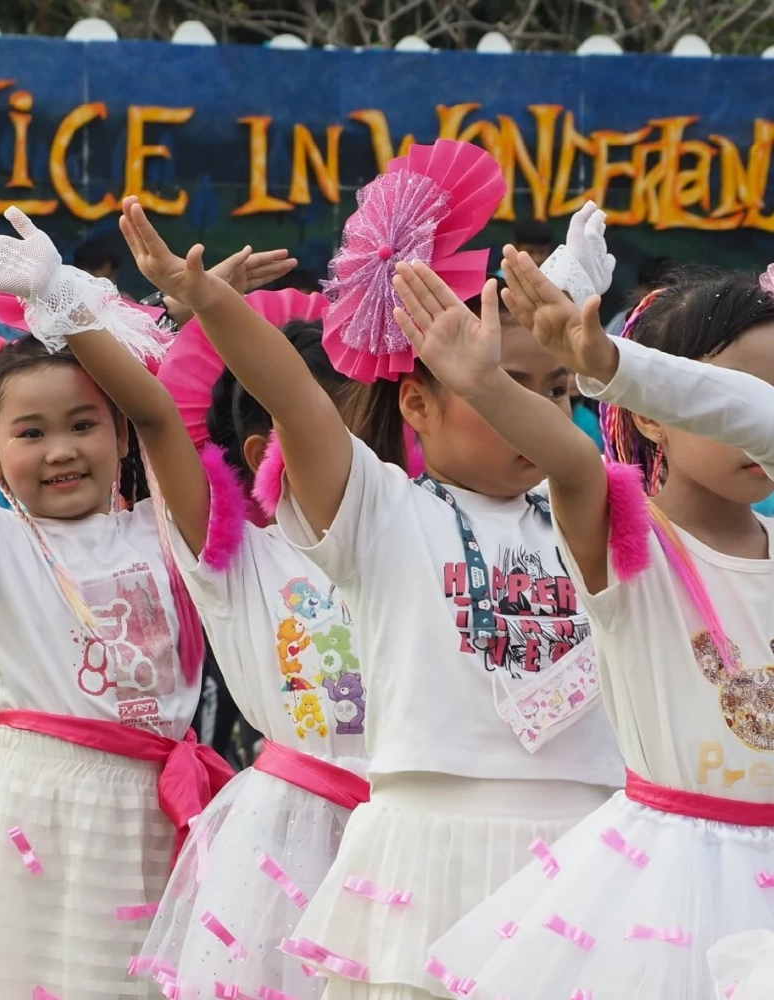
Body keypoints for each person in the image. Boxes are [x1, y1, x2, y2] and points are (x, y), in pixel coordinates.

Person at [120, 193, 623, 1000]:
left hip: (584, 842)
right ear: (417, 402)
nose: (534, 408)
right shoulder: (383, 512)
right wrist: (209, 300)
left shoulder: (592, 510)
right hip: (429, 843)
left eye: (557, 390)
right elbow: (296, 397)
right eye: (504, 384)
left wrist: (592, 348)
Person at [0, 207, 234, 1000]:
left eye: (84, 424)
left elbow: (158, 411)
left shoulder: (166, 529)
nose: (61, 450)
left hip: (156, 810)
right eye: (31, 432)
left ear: (118, 433)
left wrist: (67, 303)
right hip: (36, 811)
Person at [423, 255, 774, 999]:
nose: (750, 418)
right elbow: (574, 461)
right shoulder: (628, 535)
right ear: (650, 410)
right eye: (725, 396)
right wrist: (486, 385)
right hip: (670, 882)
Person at [134, 308, 369, 1000]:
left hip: (404, 828)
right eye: (340, 435)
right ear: (268, 450)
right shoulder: (239, 558)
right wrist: (203, 304)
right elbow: (155, 420)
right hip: (289, 834)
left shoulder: (411, 540)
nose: (366, 463)